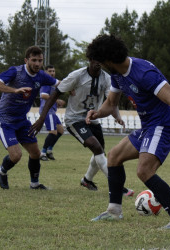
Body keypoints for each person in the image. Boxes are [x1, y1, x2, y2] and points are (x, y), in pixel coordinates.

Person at [78, 34, 170, 229]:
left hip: (162, 125)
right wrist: (96, 114)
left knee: (144, 171)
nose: (100, 65)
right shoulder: (117, 74)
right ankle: (114, 211)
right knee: (114, 156)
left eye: (100, 62)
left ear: (108, 60)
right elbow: (111, 104)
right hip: (148, 126)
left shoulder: (144, 73)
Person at [30, 59, 134, 196]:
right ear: (89, 59)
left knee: (99, 152)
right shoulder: (77, 75)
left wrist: (117, 116)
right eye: (94, 59)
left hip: (93, 120)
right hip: (75, 120)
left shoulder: (107, 79)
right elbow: (56, 93)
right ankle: (118, 187)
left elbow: (111, 102)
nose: (98, 62)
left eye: (100, 59)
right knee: (97, 148)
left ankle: (87, 180)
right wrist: (42, 117)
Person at [0, 46, 57, 190]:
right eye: (34, 60)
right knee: (16, 156)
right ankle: (2, 171)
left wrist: (72, 88)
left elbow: (59, 84)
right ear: (26, 60)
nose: (37, 64)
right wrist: (14, 90)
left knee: (36, 153)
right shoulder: (15, 71)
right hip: (4, 120)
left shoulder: (42, 76)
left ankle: (34, 184)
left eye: (40, 60)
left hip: (21, 121)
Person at [39, 65, 65, 161]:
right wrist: (57, 101)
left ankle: (49, 150)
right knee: (53, 132)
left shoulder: (53, 83)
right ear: (46, 72)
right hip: (46, 111)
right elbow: (43, 95)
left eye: (53, 71)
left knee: (61, 130)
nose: (52, 73)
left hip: (52, 110)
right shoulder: (46, 82)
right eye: (50, 71)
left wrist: (56, 103)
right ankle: (42, 153)